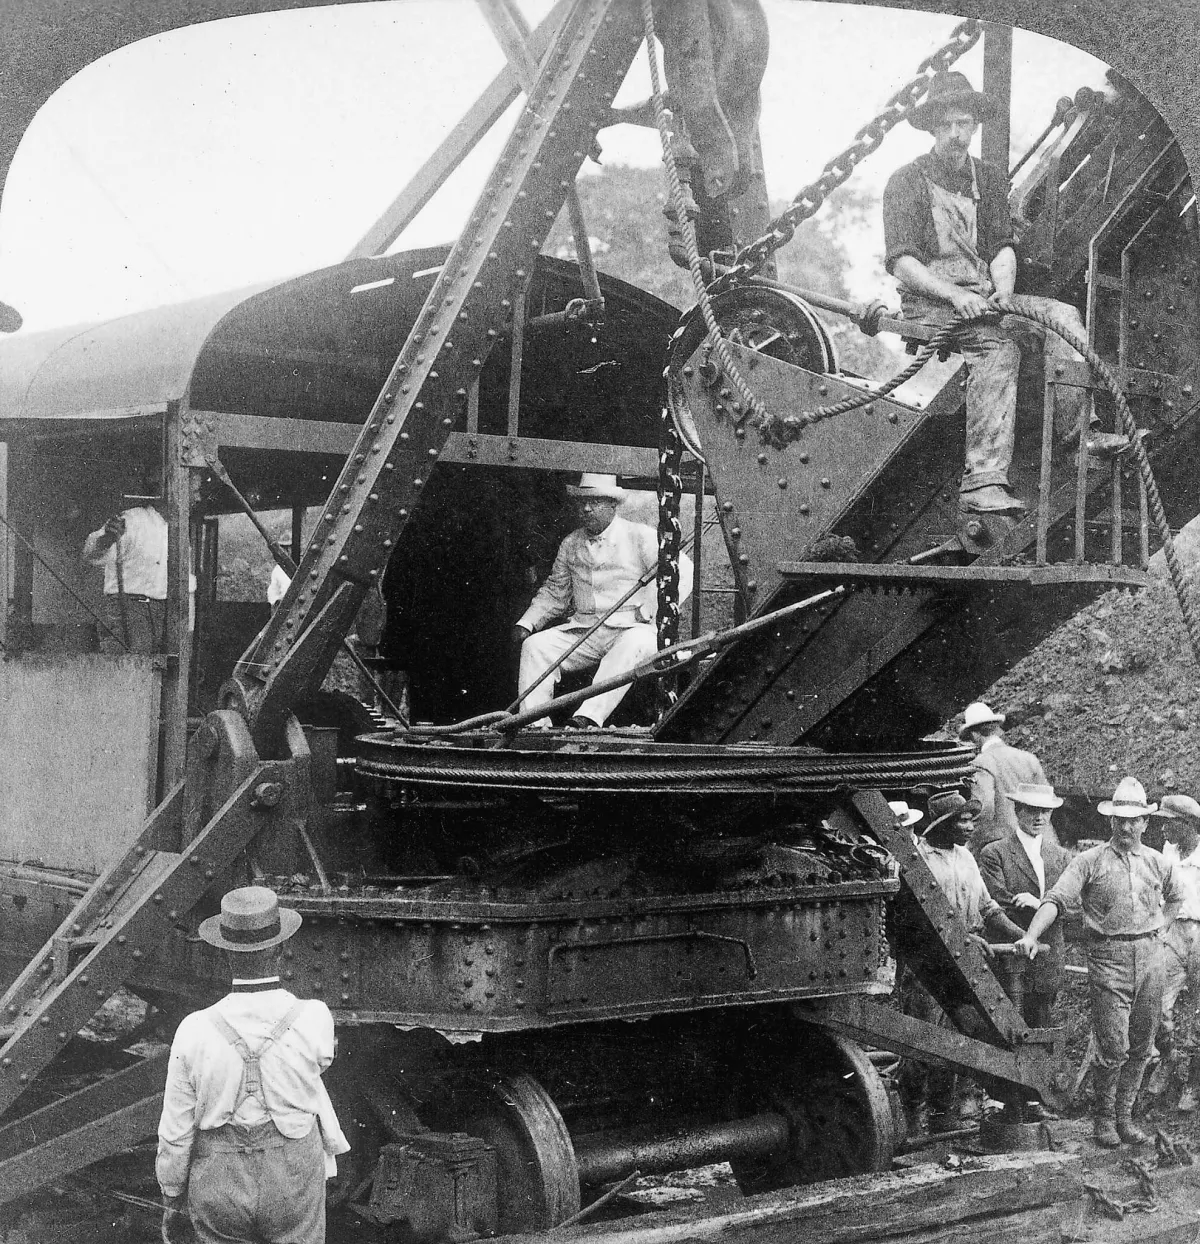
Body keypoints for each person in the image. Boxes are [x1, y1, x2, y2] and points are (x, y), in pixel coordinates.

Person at [882, 71, 1111, 515]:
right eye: (947, 124)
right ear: (932, 127)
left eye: (964, 123)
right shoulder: (905, 181)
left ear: (973, 126)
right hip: (931, 305)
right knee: (997, 349)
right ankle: (982, 482)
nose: (956, 133)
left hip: (985, 298)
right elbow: (902, 263)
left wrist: (1003, 292)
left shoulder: (986, 180)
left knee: (1061, 316)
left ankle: (1082, 437)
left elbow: (1000, 246)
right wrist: (954, 295)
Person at [157, 886, 350, 1243]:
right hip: (292, 1178)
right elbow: (320, 1064)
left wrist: (171, 1195)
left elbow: (175, 1131)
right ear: (281, 949)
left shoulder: (193, 1029)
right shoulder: (314, 1017)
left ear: (224, 955)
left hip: (219, 1179)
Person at [1017, 777, 1182, 1147]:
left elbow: (1175, 898)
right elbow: (1056, 899)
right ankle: (1104, 1118)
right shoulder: (1089, 862)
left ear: (1145, 822)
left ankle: (1125, 1117)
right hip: (1109, 959)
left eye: (1133, 820)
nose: (1126, 827)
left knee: (1142, 1044)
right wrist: (1031, 935)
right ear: (1110, 821)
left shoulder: (1157, 862)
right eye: (1119, 819)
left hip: (1151, 958)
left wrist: (1162, 930)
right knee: (1114, 1046)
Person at [513, 474, 692, 728]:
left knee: (633, 643)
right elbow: (556, 591)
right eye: (582, 502)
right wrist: (528, 622)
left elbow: (682, 572)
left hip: (632, 629)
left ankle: (587, 718)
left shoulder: (639, 535)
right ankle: (533, 723)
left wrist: (650, 608)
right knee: (536, 646)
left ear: (612, 505)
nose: (586, 509)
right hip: (586, 631)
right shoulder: (571, 543)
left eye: (595, 502)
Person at [898, 787, 1024, 1132]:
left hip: (967, 960)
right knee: (920, 1035)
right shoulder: (917, 861)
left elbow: (987, 908)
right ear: (942, 824)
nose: (971, 827)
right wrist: (963, 937)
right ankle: (911, 1115)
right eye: (964, 821)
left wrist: (1022, 935)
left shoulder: (966, 857)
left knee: (958, 1035)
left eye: (972, 820)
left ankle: (943, 1113)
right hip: (928, 960)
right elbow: (917, 921)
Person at [978, 782, 1072, 1029]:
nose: (1039, 817)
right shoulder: (995, 853)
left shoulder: (1061, 856)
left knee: (1041, 1025)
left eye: (1045, 811)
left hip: (1047, 956)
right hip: (1011, 956)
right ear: (1018, 810)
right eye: (1032, 810)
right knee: (1005, 1027)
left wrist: (1040, 904)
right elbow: (996, 902)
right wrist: (1037, 909)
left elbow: (1073, 906)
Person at [1153, 793, 1200, 1111]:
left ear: (1187, 825)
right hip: (1171, 930)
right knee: (1156, 1003)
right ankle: (1170, 1059)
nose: (1163, 831)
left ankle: (1194, 1085)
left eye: (1168, 824)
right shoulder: (1167, 851)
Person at [959, 701, 1050, 856]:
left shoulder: (981, 763)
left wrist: (970, 846)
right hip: (1040, 845)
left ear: (974, 735)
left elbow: (984, 809)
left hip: (1005, 850)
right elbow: (1047, 800)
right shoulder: (1028, 758)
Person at [82, 501, 170, 654]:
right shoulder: (132, 520)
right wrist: (108, 539)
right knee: (130, 667)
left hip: (163, 612)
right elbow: (91, 553)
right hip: (129, 609)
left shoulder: (177, 528)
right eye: (194, 491)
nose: (198, 497)